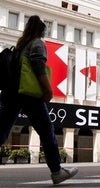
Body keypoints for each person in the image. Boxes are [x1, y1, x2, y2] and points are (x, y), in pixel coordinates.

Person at [0, 15, 78, 184]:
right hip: (29, 95)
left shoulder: (21, 45)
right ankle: (57, 171)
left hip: (10, 93)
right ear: (41, 30)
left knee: (2, 130)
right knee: (46, 130)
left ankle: (57, 170)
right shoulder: (37, 43)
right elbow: (38, 67)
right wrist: (48, 90)